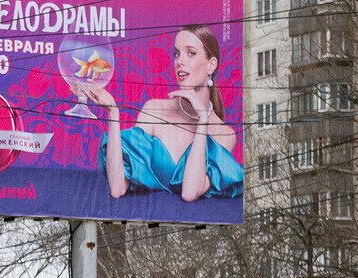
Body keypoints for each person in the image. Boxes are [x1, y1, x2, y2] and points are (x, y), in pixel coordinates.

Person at [81, 25, 242, 203]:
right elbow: (118, 188)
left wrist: (203, 119)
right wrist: (113, 112)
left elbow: (190, 193)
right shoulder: (153, 110)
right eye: (177, 53)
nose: (180, 61)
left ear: (211, 65)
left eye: (191, 53)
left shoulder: (225, 135)